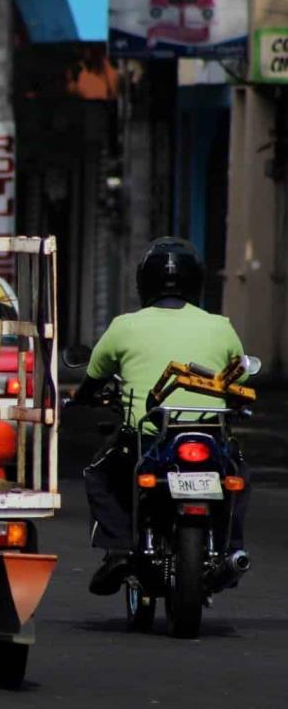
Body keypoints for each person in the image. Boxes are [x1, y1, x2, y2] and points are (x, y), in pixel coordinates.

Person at [72, 237, 248, 596]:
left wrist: (82, 399)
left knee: (99, 474)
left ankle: (119, 548)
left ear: (144, 283)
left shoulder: (124, 326)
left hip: (149, 437)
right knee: (239, 472)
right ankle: (233, 550)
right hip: (209, 436)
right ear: (196, 282)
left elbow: (93, 378)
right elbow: (239, 380)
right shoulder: (221, 326)